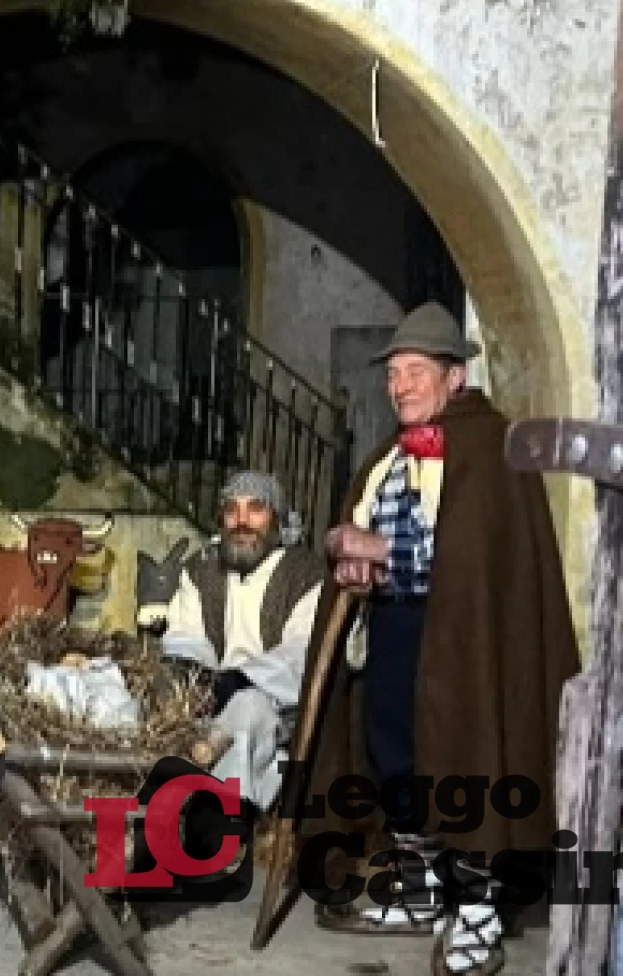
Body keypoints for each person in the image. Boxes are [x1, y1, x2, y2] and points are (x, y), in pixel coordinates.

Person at [298, 302, 580, 975]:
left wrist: (378, 549)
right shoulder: (390, 452)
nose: (399, 386)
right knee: (394, 753)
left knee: (465, 761)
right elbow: (359, 530)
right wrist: (346, 549)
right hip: (395, 626)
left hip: (464, 637)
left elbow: (469, 554)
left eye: (415, 372)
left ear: (455, 377)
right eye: (393, 374)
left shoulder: (488, 448)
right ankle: (422, 888)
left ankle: (477, 910)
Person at [149, 469, 323, 818]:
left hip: (277, 700)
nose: (241, 522)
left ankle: (225, 815)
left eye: (255, 509)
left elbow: (303, 650)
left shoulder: (305, 574)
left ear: (276, 518)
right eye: (232, 510)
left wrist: (244, 679)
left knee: (248, 710)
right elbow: (186, 634)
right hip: (211, 694)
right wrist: (196, 678)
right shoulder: (202, 569)